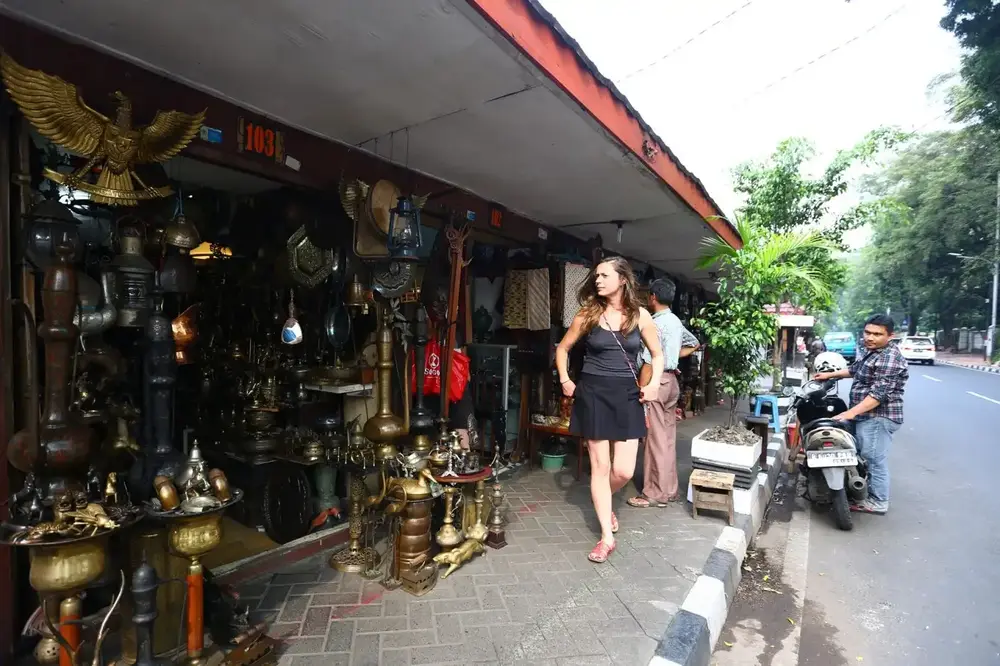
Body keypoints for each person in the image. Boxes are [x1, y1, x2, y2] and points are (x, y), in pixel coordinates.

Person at [556, 256, 664, 563]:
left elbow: (657, 355)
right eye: (596, 276)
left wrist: (654, 383)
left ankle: (605, 500)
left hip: (627, 395)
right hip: (592, 393)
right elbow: (562, 348)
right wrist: (565, 379)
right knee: (600, 467)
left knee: (623, 470)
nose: (598, 280)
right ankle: (606, 536)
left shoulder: (640, 316)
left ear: (623, 280)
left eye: (604, 275)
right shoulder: (588, 314)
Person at [813, 314, 907, 515]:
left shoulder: (889, 358)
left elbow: (878, 395)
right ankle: (860, 489)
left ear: (890, 336)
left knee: (873, 459)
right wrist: (829, 375)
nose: (870, 337)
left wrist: (849, 413)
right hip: (864, 415)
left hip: (878, 416)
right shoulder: (871, 351)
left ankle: (878, 501)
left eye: (877, 334)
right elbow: (855, 369)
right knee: (861, 455)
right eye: (868, 332)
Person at [627, 278, 699, 508]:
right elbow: (694, 343)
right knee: (667, 440)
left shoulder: (654, 323)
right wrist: (673, 357)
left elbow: (648, 361)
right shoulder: (675, 321)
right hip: (671, 382)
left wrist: (642, 388)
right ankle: (669, 490)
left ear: (653, 297)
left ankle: (653, 494)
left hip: (656, 383)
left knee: (655, 440)